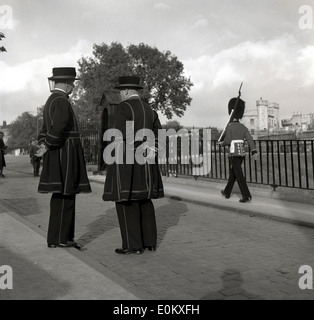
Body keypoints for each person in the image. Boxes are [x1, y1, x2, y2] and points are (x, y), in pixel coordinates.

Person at [102, 75, 164, 255]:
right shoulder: (150, 110)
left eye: (121, 91)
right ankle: (150, 242)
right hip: (146, 161)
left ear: (127, 91)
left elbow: (119, 136)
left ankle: (132, 245)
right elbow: (159, 136)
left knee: (126, 201)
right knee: (145, 200)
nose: (120, 94)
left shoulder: (124, 108)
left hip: (127, 161)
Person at [36, 67, 92, 249]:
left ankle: (58, 238)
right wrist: (48, 145)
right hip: (64, 154)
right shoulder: (61, 101)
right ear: (67, 84)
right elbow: (58, 128)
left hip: (58, 152)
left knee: (61, 196)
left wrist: (44, 145)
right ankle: (61, 239)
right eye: (72, 83)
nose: (73, 87)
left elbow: (45, 130)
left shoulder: (52, 99)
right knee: (66, 196)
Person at [219, 97, 258, 203]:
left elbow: (227, 141)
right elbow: (250, 139)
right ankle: (227, 192)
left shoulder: (230, 127)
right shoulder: (243, 127)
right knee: (234, 173)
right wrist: (253, 150)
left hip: (233, 153)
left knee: (239, 174)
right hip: (242, 153)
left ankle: (247, 195)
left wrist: (221, 144)